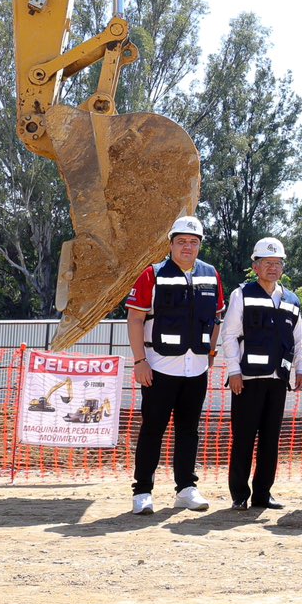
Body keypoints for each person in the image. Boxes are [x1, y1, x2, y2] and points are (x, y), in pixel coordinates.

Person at [125, 216, 221, 515]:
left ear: (200, 245)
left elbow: (216, 317)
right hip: (159, 367)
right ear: (171, 245)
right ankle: (142, 491)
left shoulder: (211, 274)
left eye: (193, 242)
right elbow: (135, 319)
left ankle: (186, 489)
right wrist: (140, 361)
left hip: (196, 369)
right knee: (153, 429)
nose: (187, 247)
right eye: (181, 242)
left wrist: (211, 352)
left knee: (189, 430)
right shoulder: (152, 274)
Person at [221, 236, 302, 510]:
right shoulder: (241, 294)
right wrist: (234, 371)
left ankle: (262, 494)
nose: (272, 267)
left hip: (277, 381)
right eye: (266, 263)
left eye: (277, 263)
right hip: (247, 380)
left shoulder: (291, 300)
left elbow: (298, 340)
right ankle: (239, 495)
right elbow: (230, 335)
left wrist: (300, 369)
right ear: (255, 266)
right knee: (244, 438)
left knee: (271, 440)